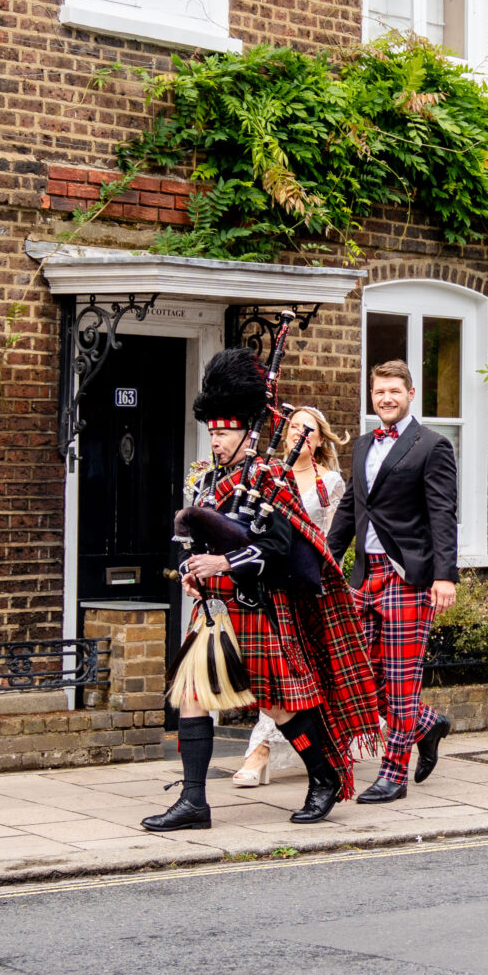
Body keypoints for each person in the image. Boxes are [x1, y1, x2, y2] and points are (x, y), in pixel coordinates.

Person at [143, 351, 381, 833]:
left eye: (224, 431)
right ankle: (194, 803)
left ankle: (325, 775)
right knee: (191, 694)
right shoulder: (207, 481)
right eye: (211, 431)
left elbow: (278, 544)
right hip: (214, 607)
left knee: (278, 703)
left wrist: (226, 562)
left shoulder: (268, 476)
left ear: (246, 434)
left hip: (256, 604)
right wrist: (197, 572)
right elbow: (205, 542)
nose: (216, 438)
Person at [326, 360, 460, 804]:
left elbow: (443, 513)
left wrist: (444, 576)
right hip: (365, 576)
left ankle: (393, 774)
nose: (386, 398)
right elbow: (351, 508)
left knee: (402, 680)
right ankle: (427, 724)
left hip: (408, 575)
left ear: (411, 394)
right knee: (361, 677)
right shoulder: (363, 444)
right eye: (379, 391)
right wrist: (325, 559)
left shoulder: (432, 445)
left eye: (394, 391)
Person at [235, 406, 348, 788]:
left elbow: (332, 542)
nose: (298, 433)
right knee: (278, 675)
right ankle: (278, 750)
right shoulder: (266, 476)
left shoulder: (329, 482)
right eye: (293, 426)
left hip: (306, 586)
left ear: (318, 440)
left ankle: (261, 752)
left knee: (291, 676)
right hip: (267, 584)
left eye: (308, 429)